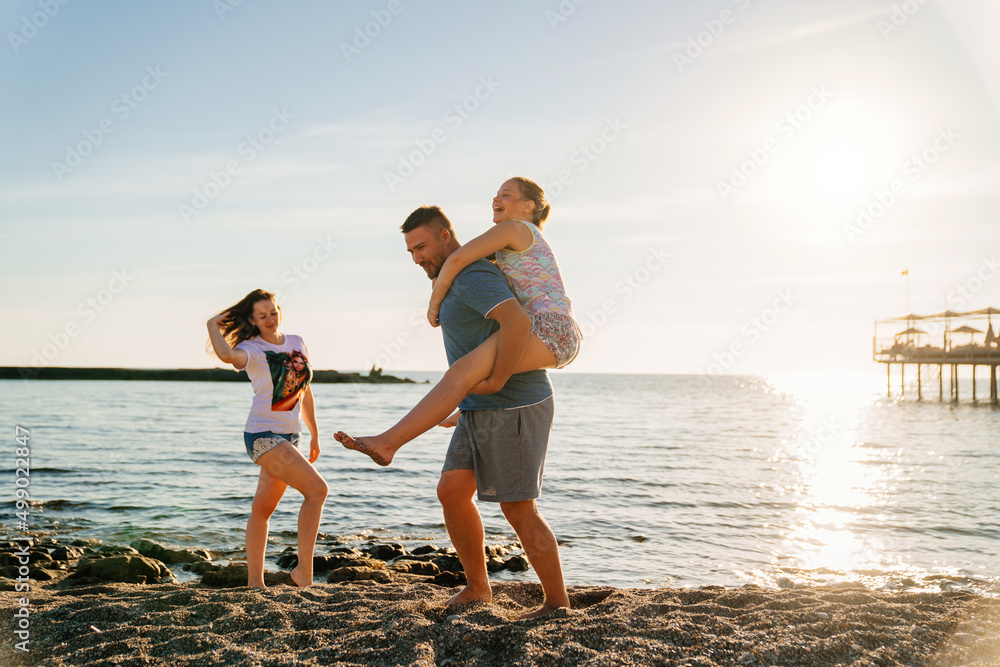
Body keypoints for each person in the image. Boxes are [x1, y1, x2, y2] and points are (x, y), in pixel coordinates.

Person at [348, 206, 570, 619]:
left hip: (516, 402)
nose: (417, 258)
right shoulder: (454, 280)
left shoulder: (473, 276)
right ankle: (477, 588)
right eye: (410, 251)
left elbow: (515, 321)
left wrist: (498, 381)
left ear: (445, 236)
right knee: (451, 492)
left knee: (518, 508)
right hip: (478, 406)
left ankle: (557, 603)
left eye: (422, 246)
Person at [334, 176, 581, 466]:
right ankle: (417, 430)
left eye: (506, 194)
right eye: (496, 194)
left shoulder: (514, 229)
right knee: (465, 372)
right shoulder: (514, 244)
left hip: (550, 329)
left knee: (462, 372)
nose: (496, 199)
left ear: (528, 206)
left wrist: (433, 303)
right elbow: (463, 264)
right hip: (552, 331)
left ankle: (389, 443)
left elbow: (457, 259)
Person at [207, 289, 328, 588]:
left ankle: (254, 584)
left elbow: (304, 389)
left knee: (262, 511)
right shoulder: (251, 348)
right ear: (253, 320)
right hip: (263, 435)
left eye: (273, 312)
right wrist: (212, 324)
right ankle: (304, 574)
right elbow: (225, 355)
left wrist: (314, 433)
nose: (270, 319)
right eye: (262, 316)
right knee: (317, 490)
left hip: (291, 435)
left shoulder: (297, 342)